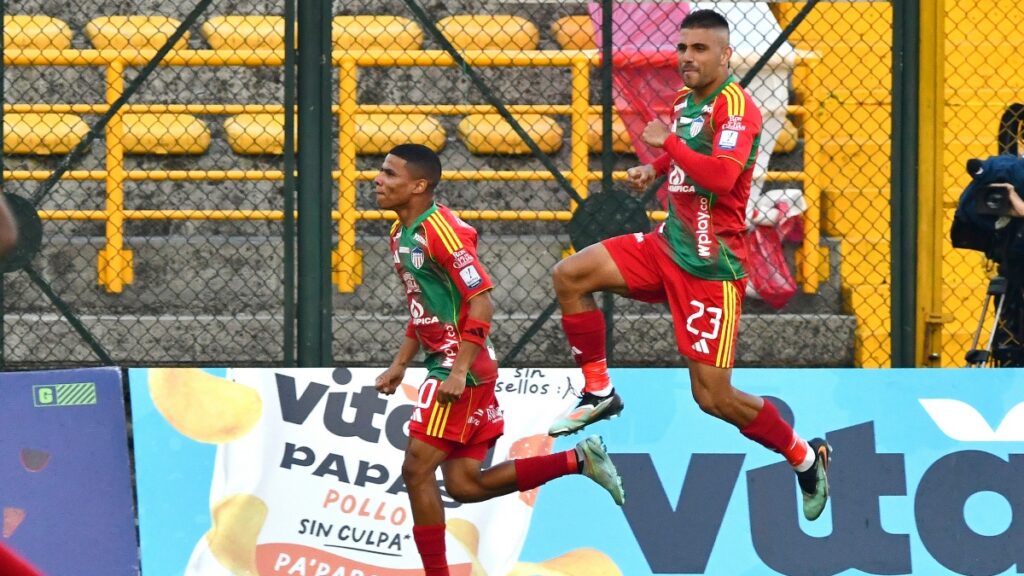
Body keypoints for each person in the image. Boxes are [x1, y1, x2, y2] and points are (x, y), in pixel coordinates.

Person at [548, 10, 832, 521]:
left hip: (711, 267)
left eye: (699, 49)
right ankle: (598, 389)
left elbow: (722, 178)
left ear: (725, 56)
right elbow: (681, 156)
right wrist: (652, 168)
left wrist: (669, 144)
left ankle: (805, 458)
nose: (686, 58)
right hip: (668, 244)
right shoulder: (685, 102)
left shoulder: (738, 108)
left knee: (714, 397)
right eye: (682, 48)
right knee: (570, 275)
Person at [373, 144, 625, 575]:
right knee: (465, 485)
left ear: (418, 186)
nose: (377, 180)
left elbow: (482, 301)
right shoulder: (401, 234)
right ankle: (579, 460)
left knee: (416, 470)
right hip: (451, 362)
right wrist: (400, 363)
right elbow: (426, 305)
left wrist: (458, 369)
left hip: (460, 368)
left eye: (389, 173)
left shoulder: (442, 232)